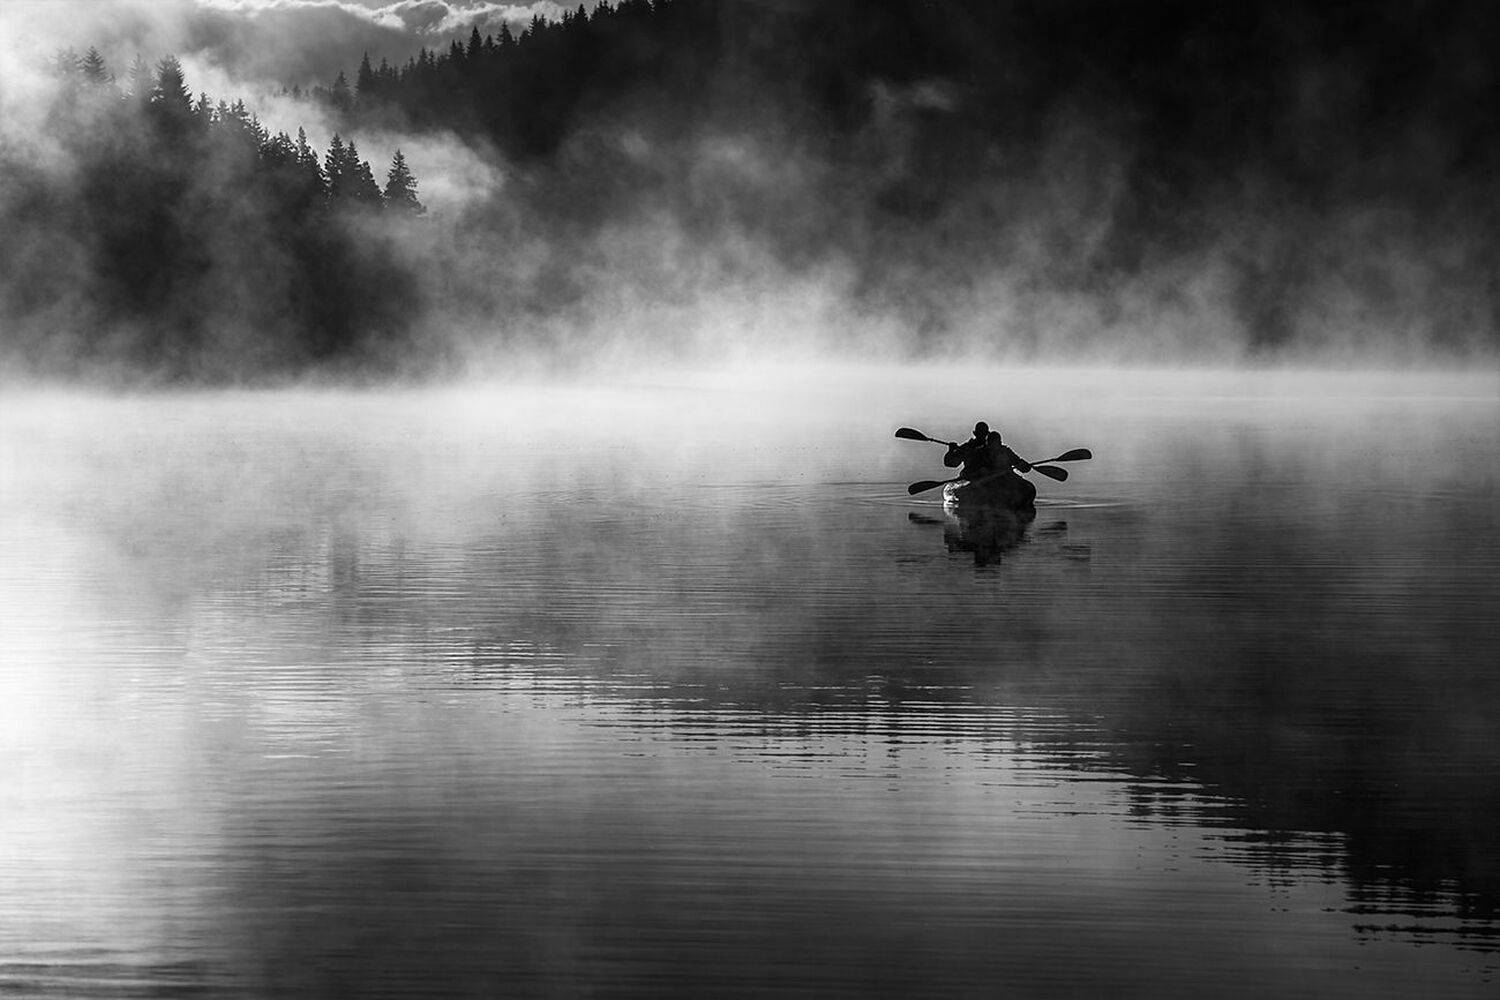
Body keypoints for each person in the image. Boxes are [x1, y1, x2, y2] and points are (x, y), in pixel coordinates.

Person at [944, 422, 1031, 480]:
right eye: (980, 434)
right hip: (978, 479)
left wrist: (1024, 465)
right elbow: (951, 463)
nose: (982, 436)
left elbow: (1021, 465)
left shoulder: (1004, 451)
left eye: (984, 434)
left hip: (1000, 479)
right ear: (975, 434)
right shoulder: (972, 450)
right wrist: (951, 451)